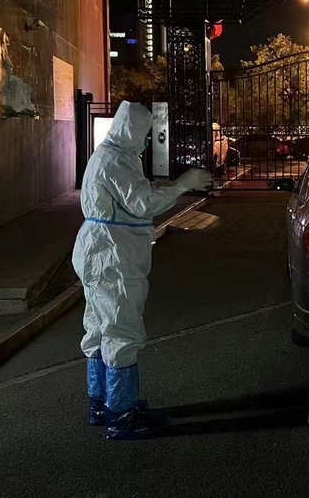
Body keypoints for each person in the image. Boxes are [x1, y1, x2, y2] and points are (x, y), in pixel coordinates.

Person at [73, 101, 212, 440]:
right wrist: (183, 184)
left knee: (99, 329)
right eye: (145, 134)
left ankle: (102, 404)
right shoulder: (117, 161)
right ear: (132, 130)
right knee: (122, 331)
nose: (147, 141)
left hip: (99, 251)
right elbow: (142, 203)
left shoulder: (108, 156)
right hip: (114, 256)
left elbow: (137, 195)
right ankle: (122, 415)